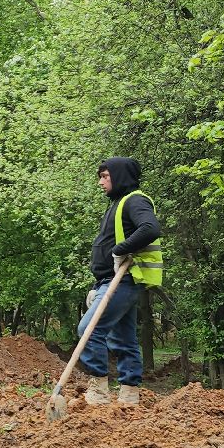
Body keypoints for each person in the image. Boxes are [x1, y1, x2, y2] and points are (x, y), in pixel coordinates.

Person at [80, 157, 163, 406]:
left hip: (124, 279)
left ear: (120, 176)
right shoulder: (118, 203)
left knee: (89, 330)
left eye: (105, 176)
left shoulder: (135, 200)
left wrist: (119, 250)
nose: (100, 182)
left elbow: (150, 228)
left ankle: (98, 390)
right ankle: (129, 394)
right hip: (111, 280)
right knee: (123, 340)